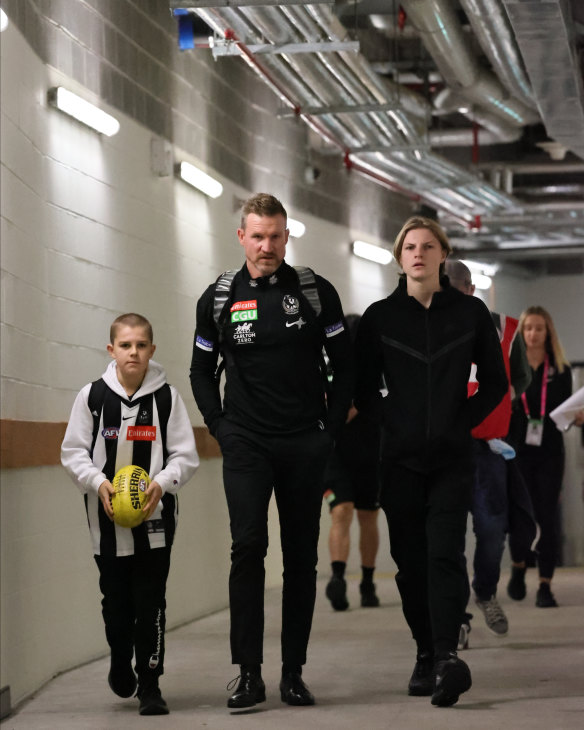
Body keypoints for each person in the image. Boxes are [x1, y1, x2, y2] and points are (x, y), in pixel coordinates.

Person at [189, 193, 353, 708]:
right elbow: (199, 369)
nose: (266, 246)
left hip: (305, 441)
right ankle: (249, 673)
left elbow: (346, 363)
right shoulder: (218, 298)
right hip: (246, 443)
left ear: (287, 236)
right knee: (248, 549)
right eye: (257, 236)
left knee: (301, 560)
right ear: (241, 237)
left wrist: (328, 428)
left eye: (275, 236)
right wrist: (220, 425)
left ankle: (293, 673)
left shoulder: (313, 292)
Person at [354, 217, 507, 707]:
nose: (418, 254)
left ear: (443, 253)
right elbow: (361, 388)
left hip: (450, 459)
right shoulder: (380, 317)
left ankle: (446, 658)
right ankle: (424, 650)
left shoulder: (470, 313)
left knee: (444, 554)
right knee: (409, 564)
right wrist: (392, 421)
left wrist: (461, 421)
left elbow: (497, 383)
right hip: (398, 461)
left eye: (427, 246)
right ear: (400, 258)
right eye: (409, 247)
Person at [61, 313, 199, 716]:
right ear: (112, 350)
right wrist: (99, 484)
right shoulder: (92, 396)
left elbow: (185, 457)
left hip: (155, 521)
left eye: (141, 345)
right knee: (116, 604)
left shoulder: (168, 398)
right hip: (105, 521)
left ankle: (151, 685)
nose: (133, 352)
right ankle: (121, 659)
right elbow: (72, 453)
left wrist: (163, 483)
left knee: (151, 602)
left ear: (151, 350)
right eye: (125, 345)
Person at [445, 260, 532, 647]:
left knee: (493, 530)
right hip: (443, 448)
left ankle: (485, 590)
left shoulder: (505, 329)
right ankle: (457, 615)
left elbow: (521, 377)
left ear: (469, 290)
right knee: (448, 537)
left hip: (487, 449)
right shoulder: (430, 325)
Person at [507, 306, 573, 608]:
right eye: (528, 328)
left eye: (539, 328)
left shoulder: (560, 369)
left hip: (549, 452)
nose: (533, 334)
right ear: (521, 332)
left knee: (547, 518)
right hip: (518, 451)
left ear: (548, 333)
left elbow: (565, 412)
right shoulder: (510, 366)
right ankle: (519, 564)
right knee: (521, 517)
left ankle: (545, 585)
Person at [323, 314, 381, 611]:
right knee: (341, 512)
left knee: (367, 516)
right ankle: (337, 578)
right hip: (335, 454)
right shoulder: (327, 365)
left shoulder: (375, 369)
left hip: (370, 452)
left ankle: (368, 582)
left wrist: (359, 405)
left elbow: (387, 400)